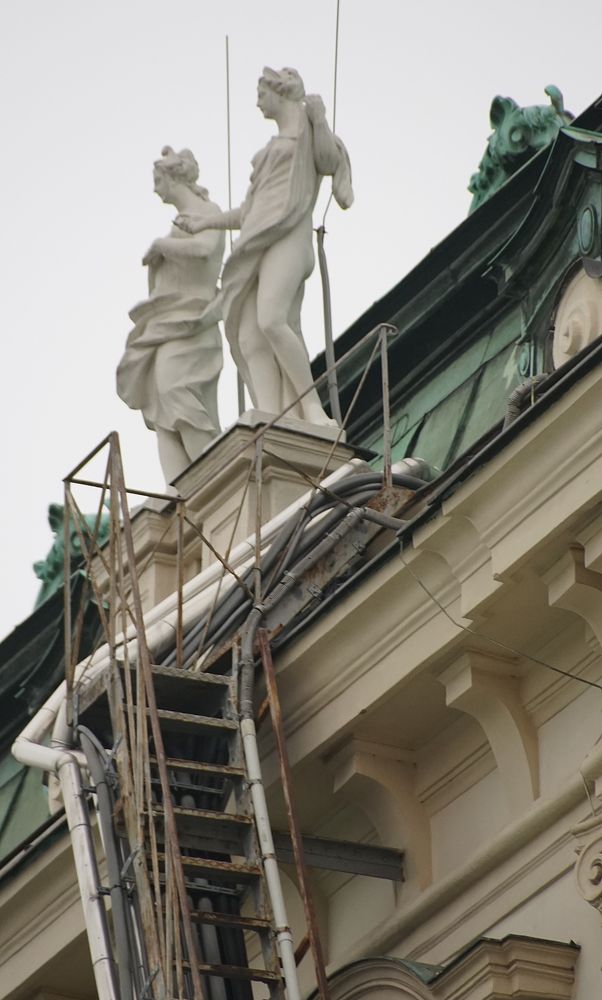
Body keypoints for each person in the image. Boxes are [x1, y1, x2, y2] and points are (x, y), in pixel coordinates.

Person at [175, 67, 353, 426]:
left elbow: (329, 161)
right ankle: (273, 416)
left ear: (280, 93)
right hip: (259, 243)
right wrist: (205, 222)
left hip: (290, 240)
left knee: (272, 319)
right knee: (248, 335)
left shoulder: (305, 137)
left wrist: (320, 121)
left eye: (261, 94)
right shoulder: (270, 151)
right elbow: (252, 212)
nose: (257, 103)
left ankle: (312, 409)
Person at [117, 147, 224, 484]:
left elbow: (206, 250)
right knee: (161, 407)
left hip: (193, 322)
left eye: (157, 180)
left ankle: (214, 482)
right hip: (167, 325)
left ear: (174, 177)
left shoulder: (208, 212)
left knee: (180, 398)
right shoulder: (179, 223)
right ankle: (178, 495)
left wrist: (164, 247)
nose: (154, 189)